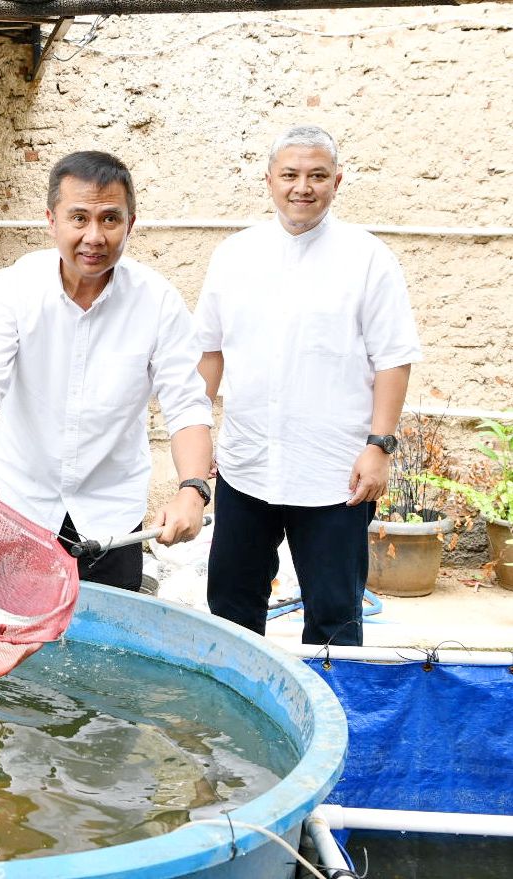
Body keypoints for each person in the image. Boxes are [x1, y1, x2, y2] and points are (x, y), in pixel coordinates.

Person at [195, 125, 422, 646]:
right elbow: (209, 350)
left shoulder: (369, 259)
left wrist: (379, 446)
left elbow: (394, 360)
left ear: (337, 181)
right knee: (230, 604)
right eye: (290, 175)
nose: (303, 187)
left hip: (334, 475)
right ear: (269, 180)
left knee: (335, 612)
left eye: (317, 175)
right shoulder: (235, 256)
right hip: (246, 465)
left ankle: (335, 720)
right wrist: (198, 430)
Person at [0, 151, 213, 591]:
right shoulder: (11, 290)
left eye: (110, 219)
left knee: (105, 650)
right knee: (11, 643)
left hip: (111, 515)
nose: (94, 236)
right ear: (51, 220)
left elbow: (187, 404)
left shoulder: (158, 302)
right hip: (18, 506)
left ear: (131, 223)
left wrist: (192, 490)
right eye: (79, 218)